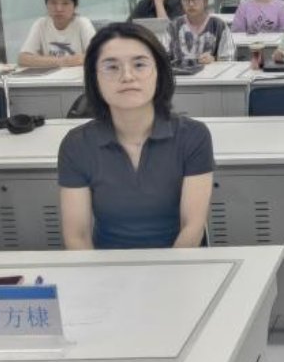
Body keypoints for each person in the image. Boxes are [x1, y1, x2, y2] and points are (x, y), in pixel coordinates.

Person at [58, 23, 214, 249]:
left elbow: (192, 227)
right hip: (106, 265)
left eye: (139, 65)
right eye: (112, 67)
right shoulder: (77, 145)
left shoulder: (193, 136)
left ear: (159, 72)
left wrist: (169, 271)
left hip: (180, 263)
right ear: (94, 78)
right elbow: (77, 237)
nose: (127, 76)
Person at [17, 0, 97, 67]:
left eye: (65, 3)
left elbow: (96, 56)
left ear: (75, 6)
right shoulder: (40, 24)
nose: (59, 9)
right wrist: (62, 61)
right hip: (51, 76)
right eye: (53, 3)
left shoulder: (83, 24)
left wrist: (45, 61)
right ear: (46, 5)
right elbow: (23, 59)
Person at [168, 0, 233, 67]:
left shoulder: (219, 26)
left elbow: (230, 59)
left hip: (213, 75)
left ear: (205, 0)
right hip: (179, 76)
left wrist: (215, 60)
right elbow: (162, 58)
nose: (191, 4)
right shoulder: (173, 27)